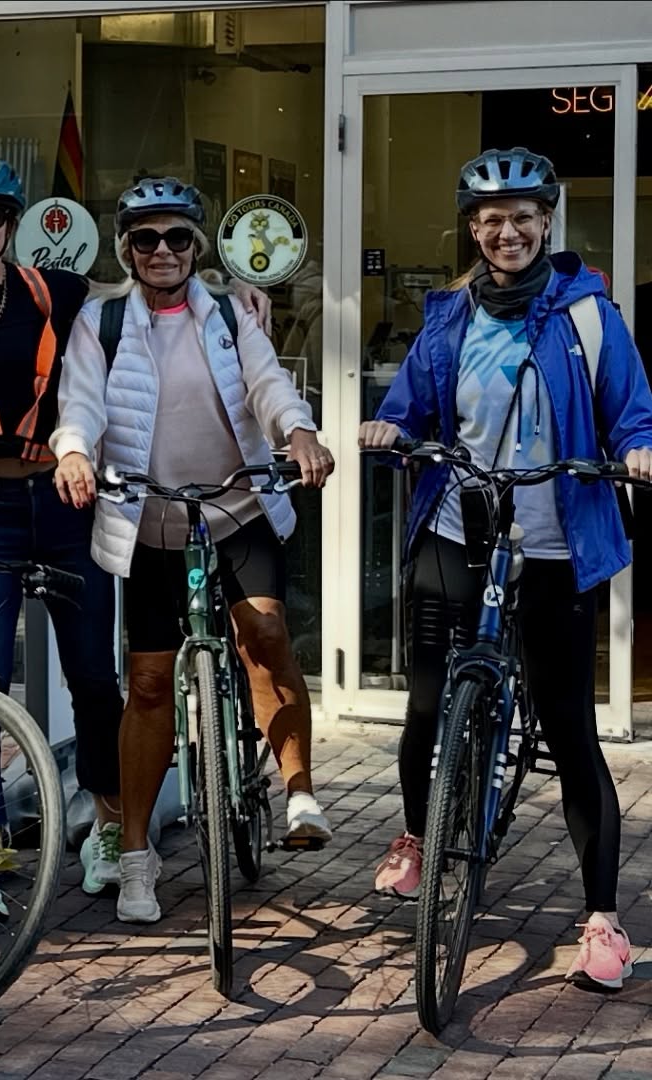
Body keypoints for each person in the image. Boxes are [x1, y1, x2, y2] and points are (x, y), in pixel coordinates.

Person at [0, 155, 271, 912]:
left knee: (92, 674)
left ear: (11, 227)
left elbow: (149, 285)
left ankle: (108, 827)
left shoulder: (59, 291)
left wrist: (229, 293)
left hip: (66, 499)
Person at [359, 147, 652, 991]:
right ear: (473, 228)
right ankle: (418, 837)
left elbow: (630, 409)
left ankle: (603, 920)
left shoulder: (588, 315)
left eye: (522, 217)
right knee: (426, 702)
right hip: (457, 524)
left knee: (568, 726)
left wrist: (637, 449)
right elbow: (413, 403)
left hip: (555, 540)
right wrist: (389, 427)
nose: (507, 232)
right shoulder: (450, 314)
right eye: (491, 219)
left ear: (546, 221)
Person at [52, 177, 335, 924]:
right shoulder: (102, 321)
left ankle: (299, 792)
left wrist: (298, 432)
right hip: (151, 520)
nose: (162, 251)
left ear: (196, 247)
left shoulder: (232, 314)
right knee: (148, 685)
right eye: (146, 239)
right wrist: (74, 449)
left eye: (177, 237)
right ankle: (135, 859)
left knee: (264, 633)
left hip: (236, 509)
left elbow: (268, 383)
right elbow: (80, 399)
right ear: (127, 251)